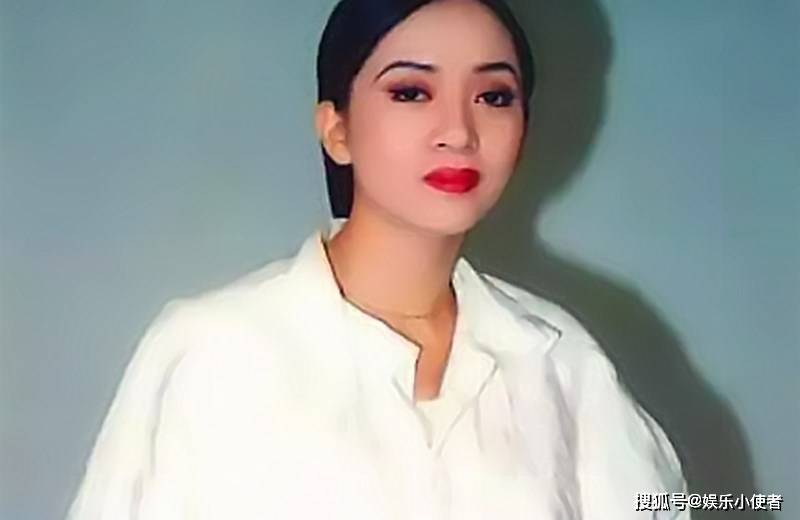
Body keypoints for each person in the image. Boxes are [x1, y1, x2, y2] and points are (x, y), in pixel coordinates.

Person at [68, 0, 689, 518]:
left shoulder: (563, 363)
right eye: (412, 91)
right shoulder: (215, 351)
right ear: (336, 130)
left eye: (493, 96)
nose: (458, 130)